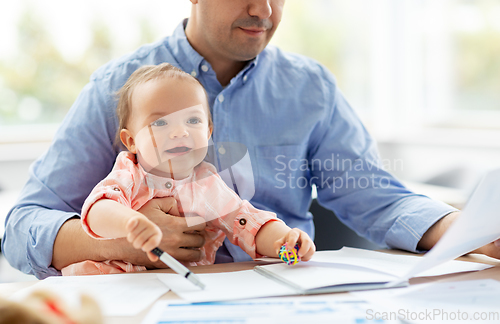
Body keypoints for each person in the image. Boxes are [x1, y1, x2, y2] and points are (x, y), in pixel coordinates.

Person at [3, 0, 500, 279]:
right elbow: (22, 226)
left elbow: (375, 196)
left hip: (283, 299)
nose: (263, 9)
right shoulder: (119, 88)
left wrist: (471, 230)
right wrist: (130, 240)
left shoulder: (311, 89)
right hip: (146, 297)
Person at [60, 63, 315, 275]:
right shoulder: (129, 172)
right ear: (131, 141)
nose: (180, 132)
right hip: (109, 283)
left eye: (192, 120)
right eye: (160, 122)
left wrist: (285, 241)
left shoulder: (207, 185)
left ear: (208, 132)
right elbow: (98, 208)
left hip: (181, 289)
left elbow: (247, 223)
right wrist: (130, 223)